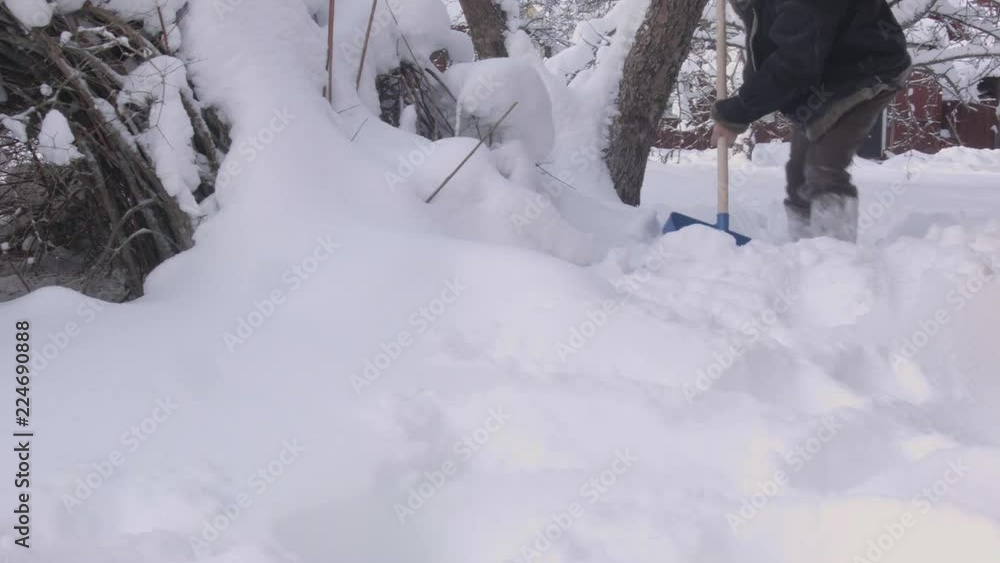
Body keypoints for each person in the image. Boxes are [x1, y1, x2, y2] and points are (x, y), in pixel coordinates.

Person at [710, 0, 912, 243]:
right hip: (825, 76)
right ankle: (803, 248)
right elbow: (767, 52)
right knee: (799, 172)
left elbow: (793, 64)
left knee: (823, 166)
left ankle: (834, 255)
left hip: (867, 70)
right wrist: (740, 110)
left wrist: (737, 113)